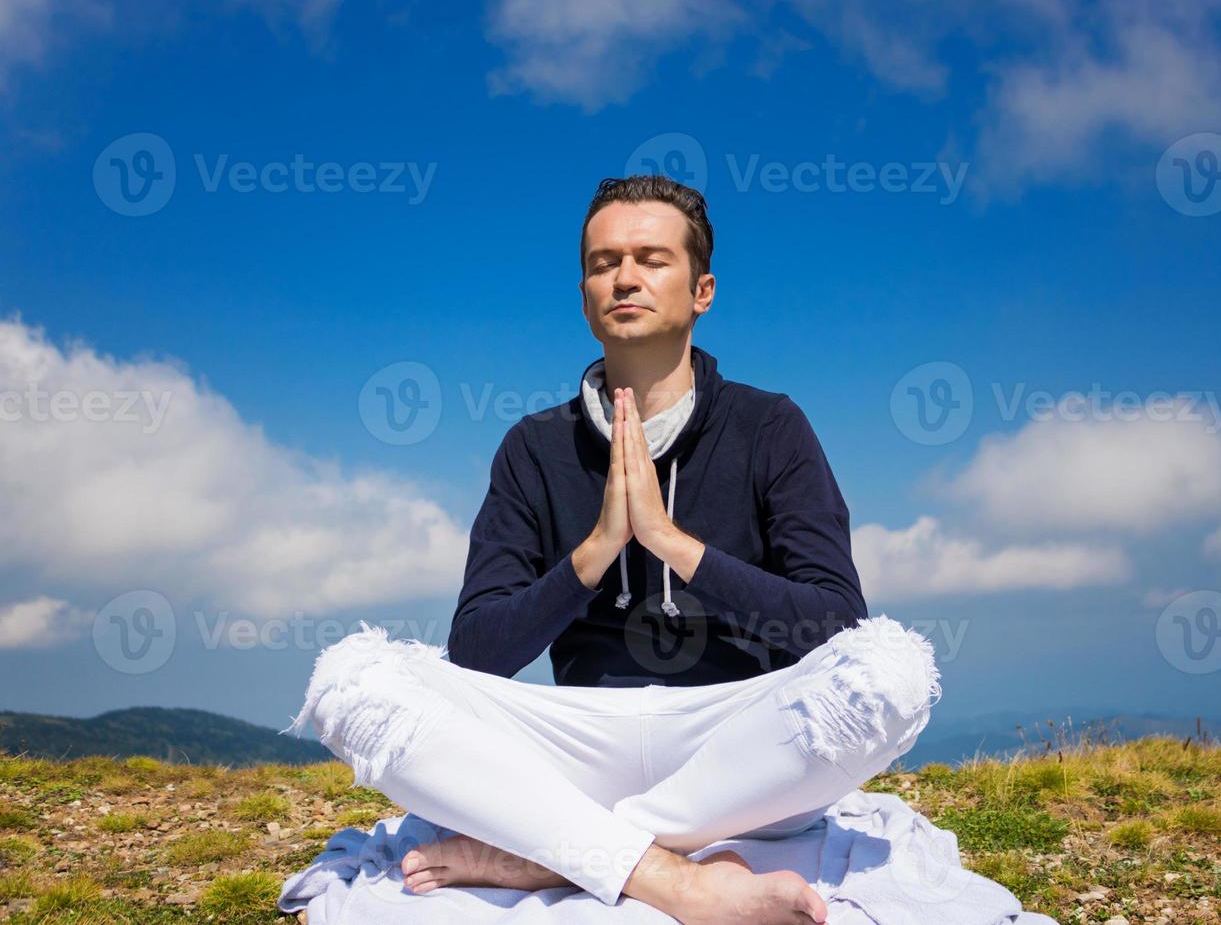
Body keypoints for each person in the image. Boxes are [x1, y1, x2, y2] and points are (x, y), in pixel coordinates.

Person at [282, 175, 942, 924]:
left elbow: (834, 625)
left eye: (651, 259)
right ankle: (676, 880)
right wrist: (596, 551)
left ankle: (543, 852)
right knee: (349, 679)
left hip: (738, 748)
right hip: (577, 741)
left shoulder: (770, 427)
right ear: (586, 293)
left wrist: (671, 543)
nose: (624, 277)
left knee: (895, 666)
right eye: (603, 263)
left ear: (702, 291)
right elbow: (476, 652)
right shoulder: (534, 447)